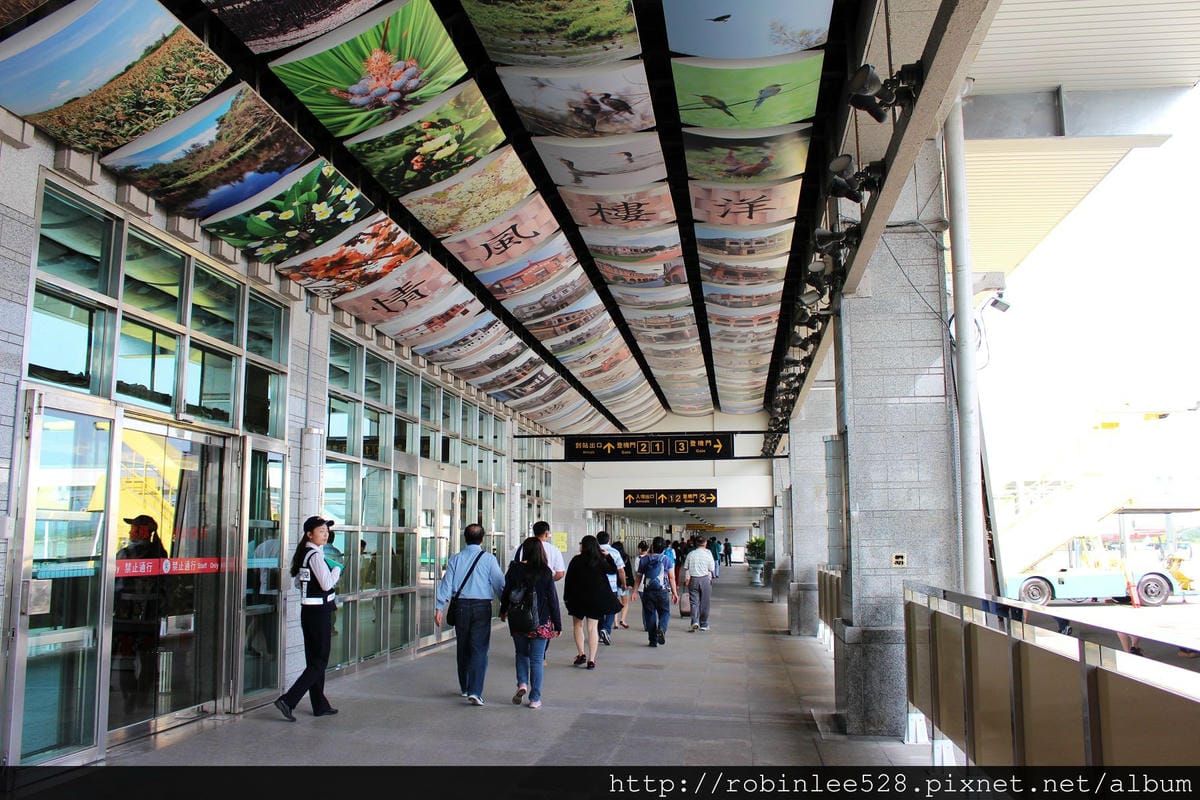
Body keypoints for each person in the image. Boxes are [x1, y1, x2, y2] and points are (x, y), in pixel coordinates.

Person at [275, 516, 342, 721]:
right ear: (309, 534)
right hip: (319, 614)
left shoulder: (305, 554)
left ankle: (319, 704)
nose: (325, 533)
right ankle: (288, 700)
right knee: (319, 662)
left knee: (315, 660)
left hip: (310, 612)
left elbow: (299, 583)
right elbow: (326, 583)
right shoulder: (314, 555)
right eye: (321, 530)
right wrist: (337, 569)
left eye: (326, 531)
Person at [434, 523, 505, 705]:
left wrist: (439, 607)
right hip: (482, 607)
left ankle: (465, 687)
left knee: (463, 646)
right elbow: (499, 584)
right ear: (482, 539)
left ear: (465, 538)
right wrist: (506, 605)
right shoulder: (489, 559)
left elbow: (446, 583)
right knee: (479, 648)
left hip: (461, 607)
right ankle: (475, 691)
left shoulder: (455, 559)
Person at [112, 514, 168, 719]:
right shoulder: (160, 555)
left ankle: (130, 696)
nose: (131, 532)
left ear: (142, 532)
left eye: (135, 528)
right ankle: (142, 697)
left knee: (126, 658)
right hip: (150, 617)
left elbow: (115, 586)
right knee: (148, 658)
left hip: (126, 617)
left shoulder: (125, 555)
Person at [499, 537, 562, 709]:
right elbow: (553, 600)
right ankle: (535, 698)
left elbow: (506, 593)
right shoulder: (545, 572)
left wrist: (503, 610)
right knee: (536, 660)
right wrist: (557, 623)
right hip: (540, 621)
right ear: (540, 551)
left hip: (518, 619)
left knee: (521, 654)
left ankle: (522, 684)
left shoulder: (514, 569)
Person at [562, 535, 621, 670]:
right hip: (596, 599)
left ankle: (581, 653)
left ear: (583, 545)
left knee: (577, 625)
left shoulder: (576, 560)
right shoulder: (599, 560)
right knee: (592, 628)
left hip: (578, 598)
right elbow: (613, 571)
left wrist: (566, 597)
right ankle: (591, 660)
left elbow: (569, 580)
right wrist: (608, 557)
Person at [631, 536, 678, 647]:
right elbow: (672, 577)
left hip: (648, 591)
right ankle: (661, 628)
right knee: (665, 612)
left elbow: (638, 577)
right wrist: (675, 593)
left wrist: (635, 591)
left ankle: (652, 640)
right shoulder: (667, 559)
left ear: (652, 546)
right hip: (662, 591)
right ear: (664, 548)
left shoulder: (644, 559)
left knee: (650, 615)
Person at [595, 531, 626, 644]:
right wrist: (623, 584)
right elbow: (621, 570)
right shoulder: (615, 552)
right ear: (608, 540)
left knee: (598, 610)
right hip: (612, 586)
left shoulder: (593, 552)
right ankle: (606, 629)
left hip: (596, 586)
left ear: (597, 540)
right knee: (612, 609)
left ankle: (599, 633)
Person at [684, 537, 717, 632]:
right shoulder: (708, 554)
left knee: (694, 602)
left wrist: (687, 579)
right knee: (705, 603)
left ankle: (694, 621)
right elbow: (711, 568)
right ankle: (703, 624)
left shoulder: (691, 554)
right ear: (705, 543)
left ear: (696, 543)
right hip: (705, 579)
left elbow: (687, 568)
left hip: (693, 580)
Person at [612, 540, 635, 629]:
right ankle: (623, 620)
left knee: (614, 603)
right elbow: (628, 571)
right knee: (625, 603)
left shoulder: (610, 557)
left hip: (614, 583)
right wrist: (630, 583)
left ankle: (615, 623)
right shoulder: (625, 558)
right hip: (623, 583)